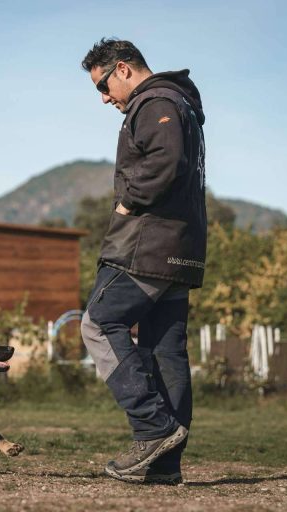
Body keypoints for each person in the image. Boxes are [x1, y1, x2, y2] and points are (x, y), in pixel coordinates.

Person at [80, 38, 207, 485]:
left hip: (147, 247)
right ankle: (165, 466)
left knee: (97, 322)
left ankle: (153, 429)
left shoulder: (154, 102)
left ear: (122, 69)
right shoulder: (182, 104)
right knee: (164, 351)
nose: (104, 98)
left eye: (103, 85)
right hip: (181, 249)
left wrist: (127, 204)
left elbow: (165, 161)